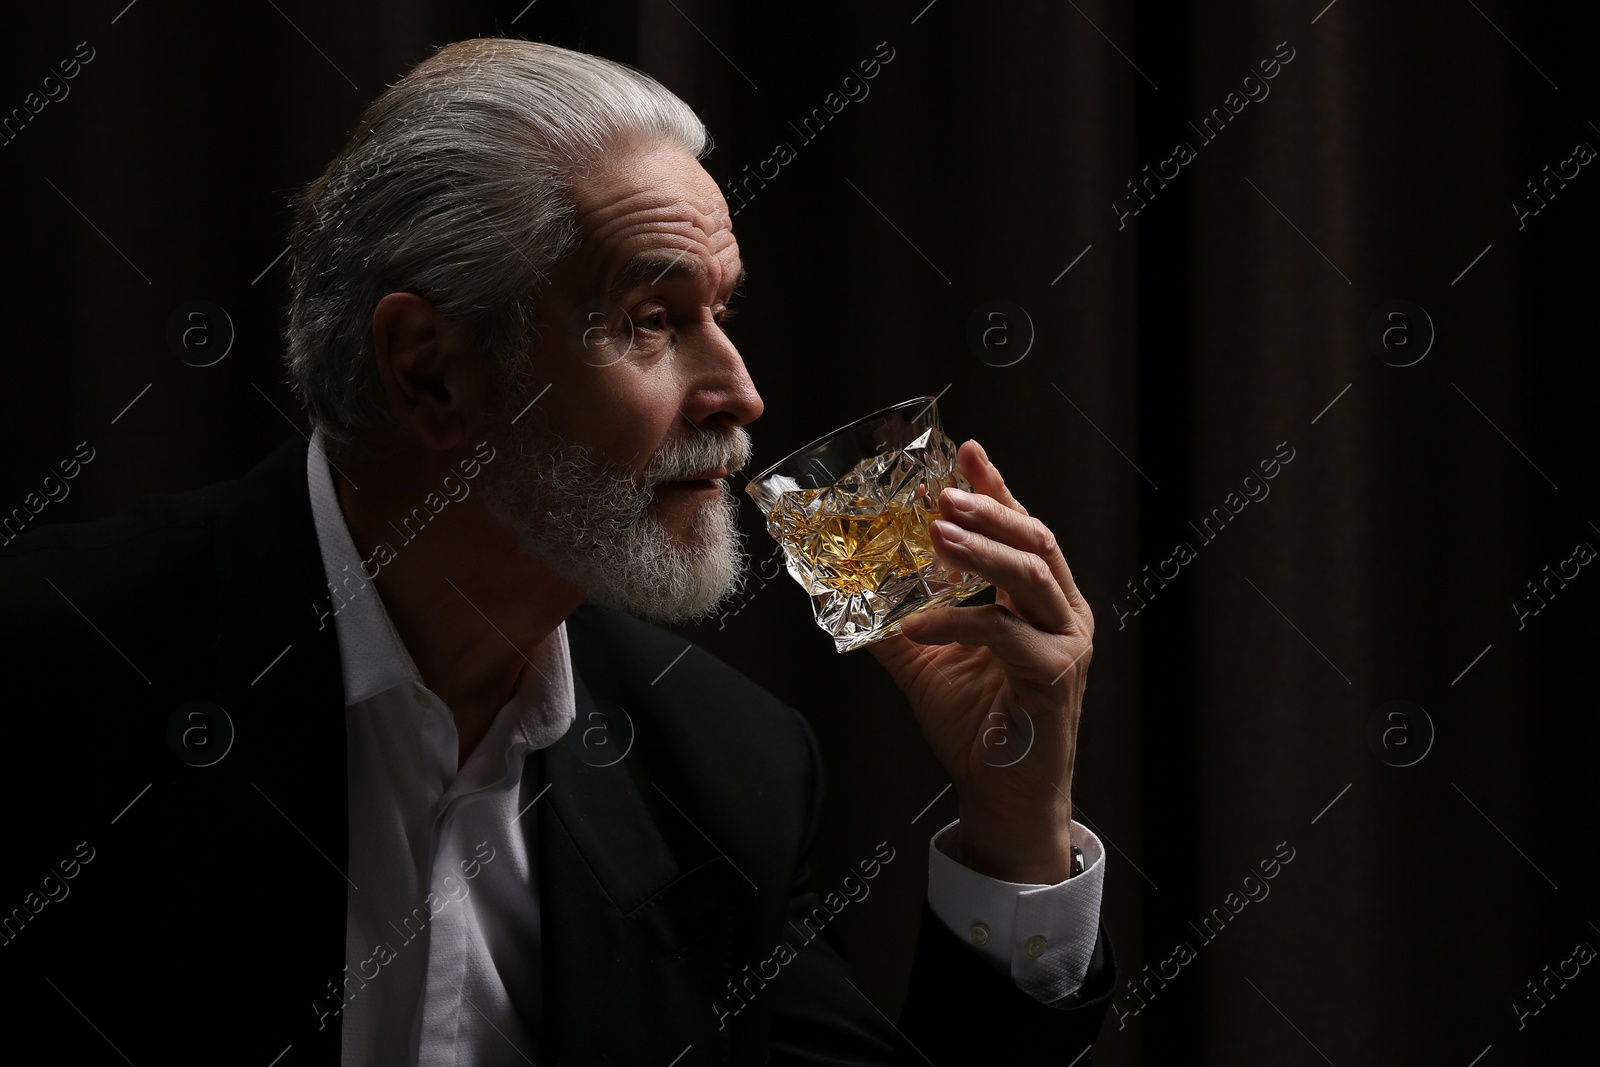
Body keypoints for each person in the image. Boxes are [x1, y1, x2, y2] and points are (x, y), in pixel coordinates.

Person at [0, 38, 1115, 1064]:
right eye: (649, 320)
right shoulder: (49, 664)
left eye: (721, 313)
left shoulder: (727, 771)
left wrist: (1016, 821)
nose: (739, 392)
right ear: (430, 368)